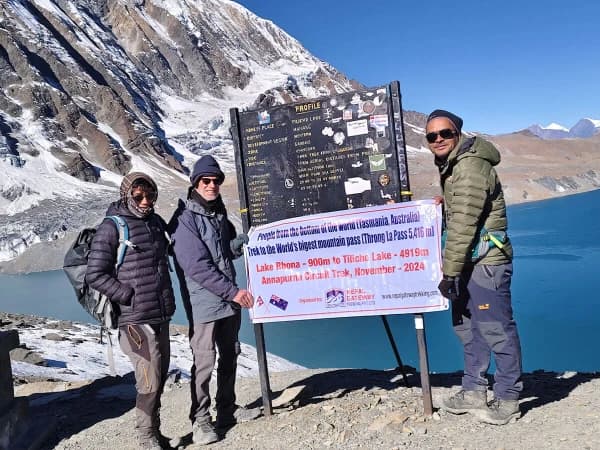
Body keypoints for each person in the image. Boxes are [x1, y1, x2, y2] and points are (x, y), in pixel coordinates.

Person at [426, 109, 523, 425]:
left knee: (496, 329)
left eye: (445, 133)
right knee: (468, 329)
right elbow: (460, 215)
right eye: (432, 136)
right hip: (468, 261)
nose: (438, 139)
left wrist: (449, 272)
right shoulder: (453, 166)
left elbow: (465, 225)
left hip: (485, 264)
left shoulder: (468, 168)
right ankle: (474, 391)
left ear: (457, 134)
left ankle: (508, 398)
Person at [168, 155, 260, 445]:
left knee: (230, 355)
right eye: (206, 181)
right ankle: (201, 420)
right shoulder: (185, 220)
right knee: (205, 362)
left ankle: (227, 410)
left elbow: (221, 253)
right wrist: (234, 292)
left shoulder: (217, 213)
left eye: (216, 181)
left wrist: (240, 245)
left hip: (228, 302)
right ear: (196, 183)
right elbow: (196, 266)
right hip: (204, 305)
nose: (212, 185)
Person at [86, 172, 176, 449]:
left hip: (160, 314)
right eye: (139, 197)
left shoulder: (155, 223)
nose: (146, 201)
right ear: (127, 196)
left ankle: (155, 431)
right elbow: (95, 274)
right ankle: (145, 437)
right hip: (134, 319)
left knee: (159, 376)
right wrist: (127, 295)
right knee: (149, 380)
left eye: (150, 195)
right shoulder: (111, 227)